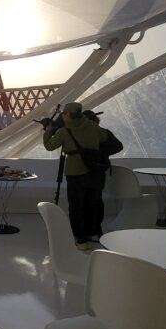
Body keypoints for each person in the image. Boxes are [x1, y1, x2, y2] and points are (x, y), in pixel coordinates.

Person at [42, 101, 109, 250]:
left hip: (75, 173)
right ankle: (94, 233)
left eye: (64, 114)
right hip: (95, 172)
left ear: (68, 115)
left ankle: (81, 240)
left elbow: (50, 146)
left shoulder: (65, 131)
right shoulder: (94, 127)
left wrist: (48, 132)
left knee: (76, 207)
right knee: (94, 204)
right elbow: (105, 139)